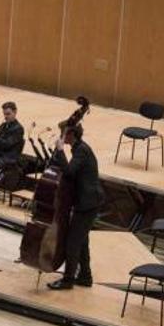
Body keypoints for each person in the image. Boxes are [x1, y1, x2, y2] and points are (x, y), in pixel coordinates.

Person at [47, 123, 103, 290]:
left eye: (64, 134)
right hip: (85, 201)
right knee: (82, 242)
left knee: (72, 243)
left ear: (72, 134)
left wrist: (59, 150)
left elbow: (69, 172)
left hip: (88, 203)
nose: (62, 137)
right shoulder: (79, 149)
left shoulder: (82, 151)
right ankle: (85, 277)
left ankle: (68, 280)